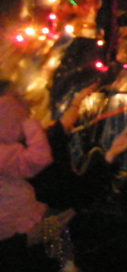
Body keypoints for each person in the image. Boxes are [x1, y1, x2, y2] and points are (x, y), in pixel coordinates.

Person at [0, 81, 56, 272]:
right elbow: (40, 157)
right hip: (16, 225)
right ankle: (65, 264)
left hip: (17, 221)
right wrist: (28, 122)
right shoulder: (4, 153)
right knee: (55, 229)